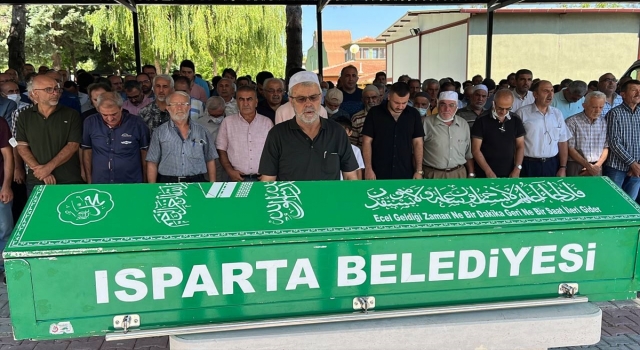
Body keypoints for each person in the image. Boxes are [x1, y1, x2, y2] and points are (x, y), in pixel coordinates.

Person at [259, 71, 358, 181]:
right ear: (291, 101)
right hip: (292, 197)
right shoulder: (277, 134)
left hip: (329, 198)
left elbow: (350, 176)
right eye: (301, 99)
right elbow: (268, 180)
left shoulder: (337, 132)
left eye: (313, 97)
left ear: (320, 98)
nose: (308, 104)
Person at [15, 75, 83, 196]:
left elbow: (73, 145)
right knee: (40, 215)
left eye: (56, 89)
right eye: (48, 89)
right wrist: (40, 170)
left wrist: (47, 168)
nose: (55, 93)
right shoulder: (24, 116)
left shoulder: (71, 114)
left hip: (68, 178)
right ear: (35, 93)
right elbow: (21, 146)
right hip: (37, 179)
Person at [146, 91, 218, 183]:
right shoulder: (159, 132)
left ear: (189, 107)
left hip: (197, 182)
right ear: (168, 108)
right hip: (167, 182)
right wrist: (152, 188)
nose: (179, 108)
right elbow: (152, 162)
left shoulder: (202, 131)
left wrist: (212, 184)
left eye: (183, 104)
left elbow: (210, 159)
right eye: (175, 104)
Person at [82, 92, 150, 184]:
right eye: (105, 115)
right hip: (101, 181)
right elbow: (87, 151)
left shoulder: (136, 123)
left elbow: (144, 152)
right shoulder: (90, 122)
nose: (110, 119)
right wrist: (89, 180)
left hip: (131, 181)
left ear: (121, 108)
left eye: (114, 114)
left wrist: (145, 182)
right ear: (98, 110)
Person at [362, 82, 424, 180]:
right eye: (397, 103)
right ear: (389, 97)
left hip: (405, 171)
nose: (400, 107)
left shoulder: (413, 114)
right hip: (378, 171)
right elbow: (366, 141)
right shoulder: (374, 113)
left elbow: (418, 143)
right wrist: (368, 169)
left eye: (404, 103)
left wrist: (419, 170)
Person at [216, 86, 272, 182]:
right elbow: (221, 149)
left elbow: (274, 151)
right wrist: (230, 171)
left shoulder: (267, 122)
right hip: (235, 178)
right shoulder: (227, 122)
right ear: (237, 102)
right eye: (241, 99)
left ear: (256, 102)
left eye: (249, 99)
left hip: (262, 179)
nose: (245, 103)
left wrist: (269, 172)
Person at [516, 80, 571, 177]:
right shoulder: (522, 113)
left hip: (552, 164)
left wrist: (563, 167)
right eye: (545, 91)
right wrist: (517, 167)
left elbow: (562, 142)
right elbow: (515, 144)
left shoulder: (557, 114)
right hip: (528, 164)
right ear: (535, 94)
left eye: (552, 91)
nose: (550, 94)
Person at [471, 89, 525, 178]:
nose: (503, 112)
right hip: (485, 173)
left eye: (508, 108)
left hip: (510, 172)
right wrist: (488, 171)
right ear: (493, 103)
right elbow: (476, 149)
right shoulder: (481, 120)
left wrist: (517, 168)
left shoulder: (515, 119)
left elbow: (520, 145)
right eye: (500, 108)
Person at [422, 91, 473, 179]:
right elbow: (415, 152)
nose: (447, 109)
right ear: (438, 105)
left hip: (459, 174)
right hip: (433, 175)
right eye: (443, 104)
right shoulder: (425, 123)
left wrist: (471, 173)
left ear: (457, 107)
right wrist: (418, 172)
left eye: (451, 105)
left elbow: (468, 154)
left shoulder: (463, 124)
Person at [604, 79, 640, 200]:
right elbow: (613, 141)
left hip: (637, 168)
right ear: (623, 94)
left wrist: (637, 164)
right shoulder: (614, 113)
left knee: (631, 204)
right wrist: (632, 163)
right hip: (616, 168)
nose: (638, 94)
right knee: (614, 202)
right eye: (634, 90)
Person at [565, 91, 608, 177]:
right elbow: (570, 148)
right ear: (584, 105)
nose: (597, 110)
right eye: (594, 107)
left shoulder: (603, 122)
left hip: (597, 166)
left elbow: (606, 147)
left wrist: (596, 166)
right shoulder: (572, 122)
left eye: (601, 107)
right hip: (576, 165)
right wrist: (588, 166)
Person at [196, 97, 227, 181]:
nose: (216, 118)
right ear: (208, 110)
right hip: (208, 163)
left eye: (219, 115)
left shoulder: (230, 122)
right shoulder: (199, 124)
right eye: (213, 115)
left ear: (224, 109)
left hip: (227, 163)